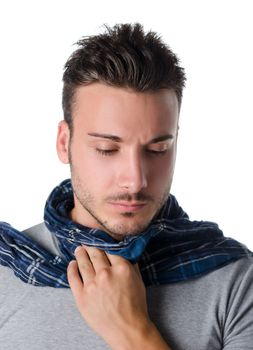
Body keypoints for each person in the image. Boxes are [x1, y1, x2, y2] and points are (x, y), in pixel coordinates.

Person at [0, 23, 253, 350]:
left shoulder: (236, 283)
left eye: (157, 149)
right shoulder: (6, 274)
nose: (136, 180)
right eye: (107, 149)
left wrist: (132, 333)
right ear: (65, 143)